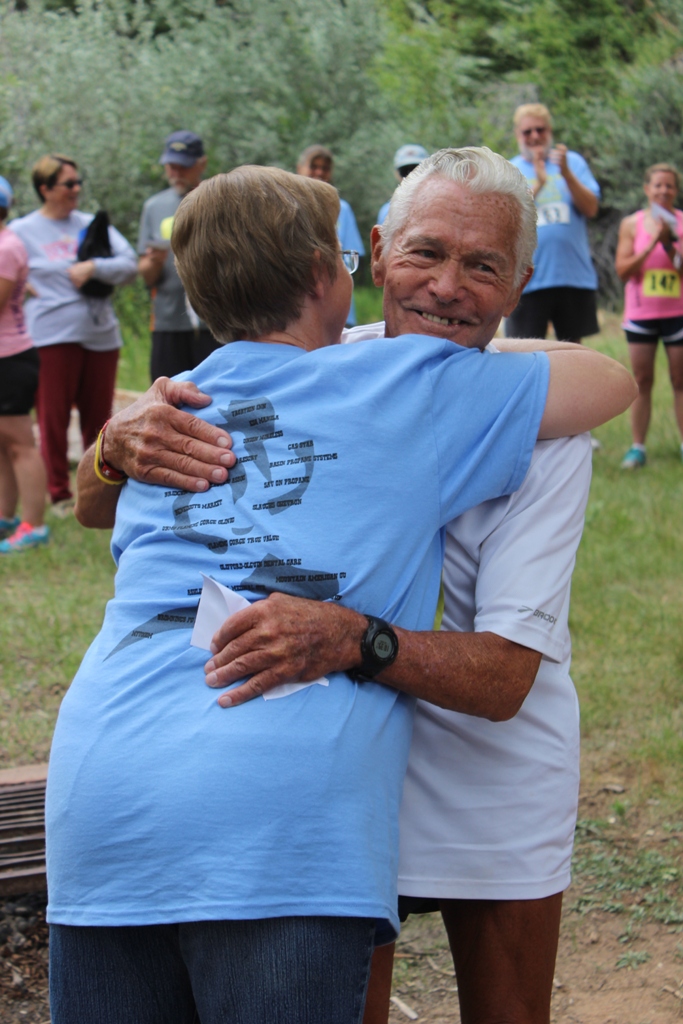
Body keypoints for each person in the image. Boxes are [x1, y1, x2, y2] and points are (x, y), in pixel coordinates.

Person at [71, 151, 635, 1024]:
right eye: (423, 255)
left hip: (118, 784)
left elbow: (504, 677)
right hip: (296, 794)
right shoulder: (377, 384)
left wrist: (349, 635)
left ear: (522, 279)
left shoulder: (194, 390)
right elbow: (610, 376)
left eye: (483, 268)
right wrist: (110, 443)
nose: (448, 287)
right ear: (361, 261)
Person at [8, 154, 137, 517]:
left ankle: (100, 493)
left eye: (79, 182)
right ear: (45, 189)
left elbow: (129, 263)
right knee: (54, 418)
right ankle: (59, 494)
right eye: (68, 184)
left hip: (100, 335)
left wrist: (94, 266)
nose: (77, 190)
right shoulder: (22, 229)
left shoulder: (91, 223)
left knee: (100, 422)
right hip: (50, 335)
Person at [506, 103, 601, 345]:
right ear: (518, 135)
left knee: (572, 352)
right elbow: (508, 217)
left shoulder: (573, 163)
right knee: (524, 351)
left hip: (572, 276)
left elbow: (591, 208)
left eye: (541, 129)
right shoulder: (510, 169)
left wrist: (566, 173)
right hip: (527, 281)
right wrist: (538, 182)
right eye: (528, 132)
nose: (535, 136)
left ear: (550, 131)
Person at [138, 130, 221, 381]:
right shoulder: (154, 207)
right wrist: (153, 262)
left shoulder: (219, 200)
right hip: (168, 322)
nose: (175, 173)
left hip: (216, 323)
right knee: (167, 401)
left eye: (182, 166)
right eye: (170, 166)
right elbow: (146, 274)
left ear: (201, 164)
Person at [615, 162, 683, 468]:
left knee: (679, 380)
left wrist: (669, 243)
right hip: (641, 313)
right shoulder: (632, 224)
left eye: (669, 185)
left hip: (677, 313)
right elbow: (623, 270)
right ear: (647, 189)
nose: (663, 190)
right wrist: (651, 244)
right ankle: (638, 447)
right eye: (658, 185)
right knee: (642, 379)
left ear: (676, 191)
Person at [0, 175, 49, 553]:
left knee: (20, 444)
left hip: (10, 358)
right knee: (4, 445)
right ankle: (6, 519)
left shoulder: (5, 247)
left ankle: (34, 525)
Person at [297, 144, 365, 325]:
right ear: (299, 168)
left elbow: (352, 260)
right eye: (313, 166)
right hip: (300, 310)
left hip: (339, 311)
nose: (319, 172)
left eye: (325, 168)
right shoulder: (288, 207)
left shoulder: (342, 209)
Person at [377, 144, 429, 225]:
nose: (411, 175)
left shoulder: (440, 207)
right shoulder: (388, 212)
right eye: (405, 171)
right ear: (397, 174)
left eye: (418, 170)